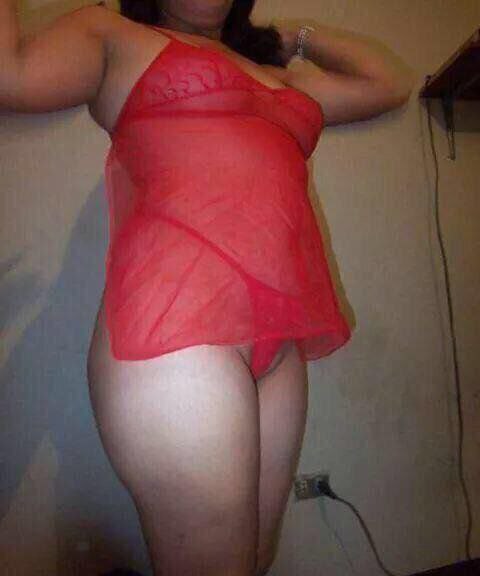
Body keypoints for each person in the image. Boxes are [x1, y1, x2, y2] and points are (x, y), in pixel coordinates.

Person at [0, 1, 414, 574]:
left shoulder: (275, 75)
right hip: (177, 331)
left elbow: (388, 83)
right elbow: (11, 74)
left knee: (253, 560)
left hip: (278, 342)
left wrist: (292, 37)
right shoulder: (113, 35)